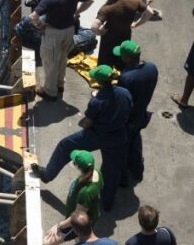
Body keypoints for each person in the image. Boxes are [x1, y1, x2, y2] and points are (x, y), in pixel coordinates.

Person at [32, 65, 131, 211]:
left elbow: (87, 123)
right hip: (118, 135)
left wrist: (82, 122)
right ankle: (107, 204)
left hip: (97, 135)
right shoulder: (125, 93)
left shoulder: (96, 101)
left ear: (98, 81)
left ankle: (47, 175)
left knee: (65, 145)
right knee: (111, 171)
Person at [30, 0, 93, 100]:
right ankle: (59, 85)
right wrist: (77, 12)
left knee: (50, 62)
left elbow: (33, 16)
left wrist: (39, 25)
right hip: (69, 31)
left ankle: (50, 92)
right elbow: (90, 0)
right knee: (62, 58)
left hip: (54, 33)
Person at [115, 40, 158, 187]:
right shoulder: (152, 68)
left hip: (128, 120)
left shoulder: (126, 78)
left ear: (127, 59)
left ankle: (122, 179)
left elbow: (122, 102)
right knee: (136, 145)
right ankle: (138, 172)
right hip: (141, 115)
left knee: (122, 149)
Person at [40, 151, 103, 245]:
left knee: (47, 242)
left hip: (77, 223)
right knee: (79, 239)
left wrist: (58, 226)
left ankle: (79, 236)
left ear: (79, 167)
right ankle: (79, 238)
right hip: (75, 215)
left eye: (74, 162)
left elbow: (77, 216)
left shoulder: (86, 192)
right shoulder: (95, 172)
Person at [91, 0, 153, 68]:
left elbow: (94, 26)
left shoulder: (106, 9)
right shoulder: (133, 0)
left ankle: (105, 78)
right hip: (125, 36)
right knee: (122, 60)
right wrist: (137, 24)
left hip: (109, 40)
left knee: (105, 64)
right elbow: (150, 12)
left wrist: (100, 32)